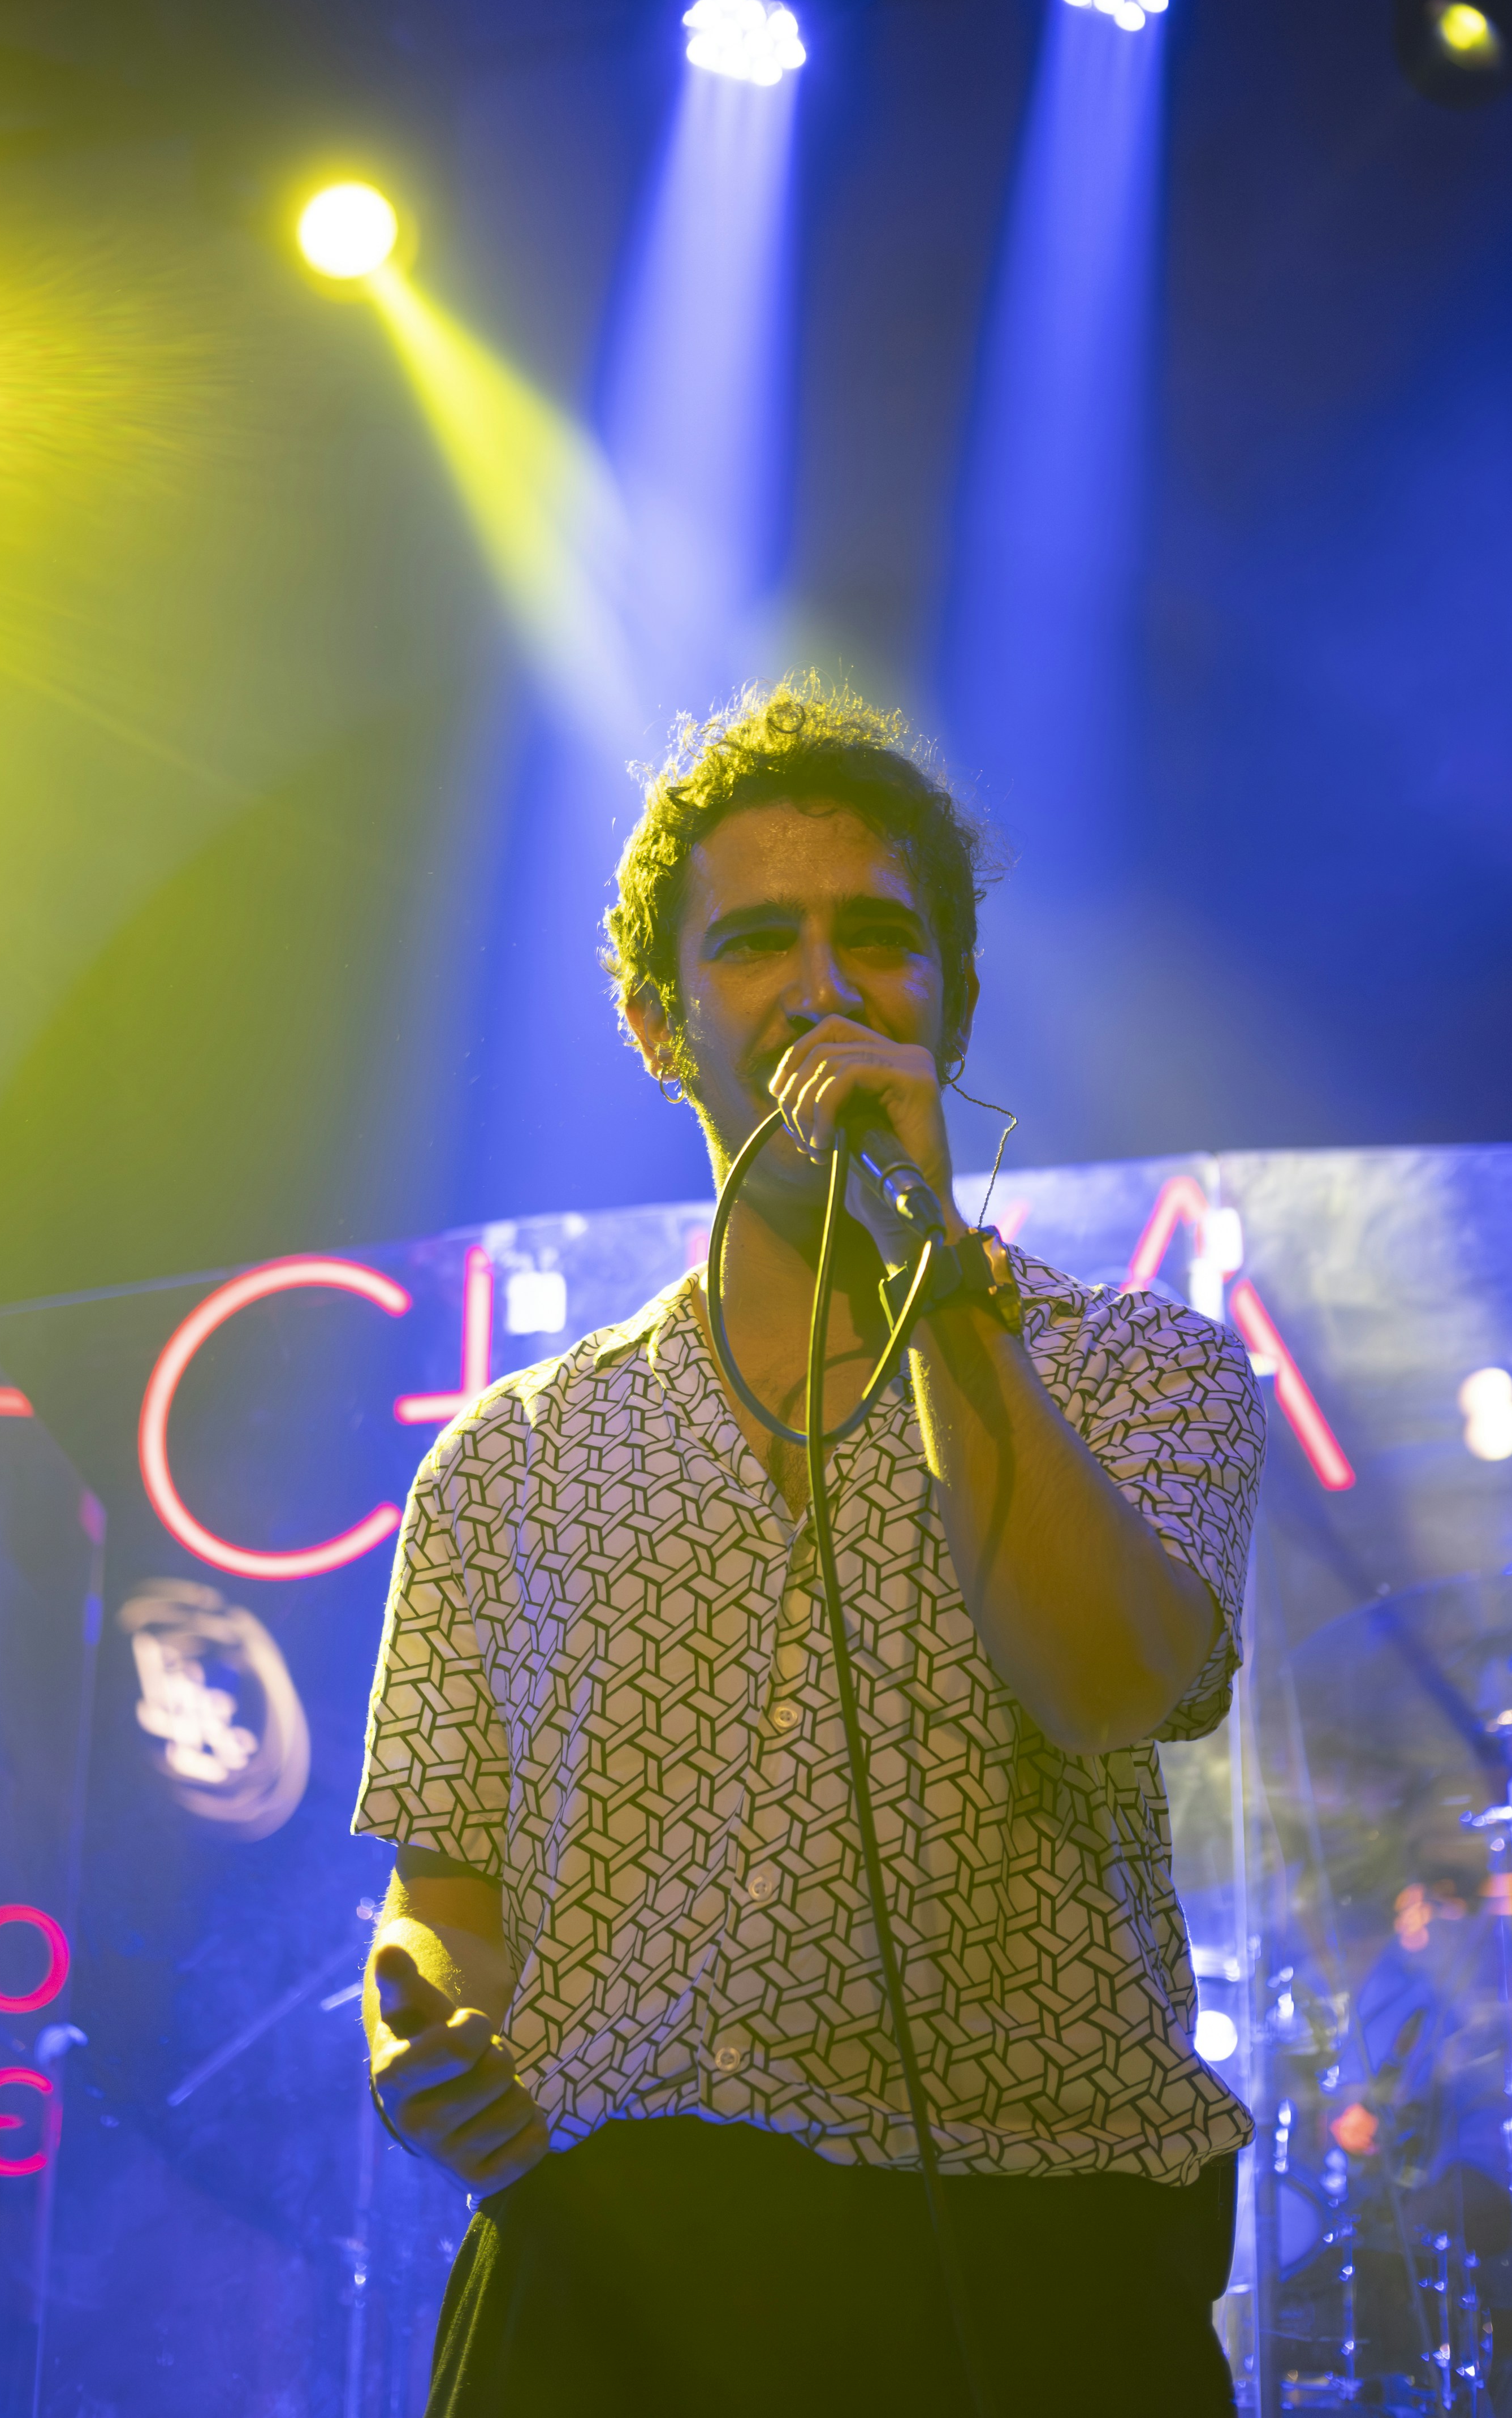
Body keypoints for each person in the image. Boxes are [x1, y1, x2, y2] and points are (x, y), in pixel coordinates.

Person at [354, 680, 1265, 2415]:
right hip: (607, 2267)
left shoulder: (1145, 1370)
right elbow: (443, 1904)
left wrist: (941, 1292)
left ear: (952, 1006)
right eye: (759, 941)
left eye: (880, 941)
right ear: (656, 1019)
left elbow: (1095, 1684)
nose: (826, 987)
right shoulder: (508, 1458)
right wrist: (420, 2037)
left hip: (1030, 2252)